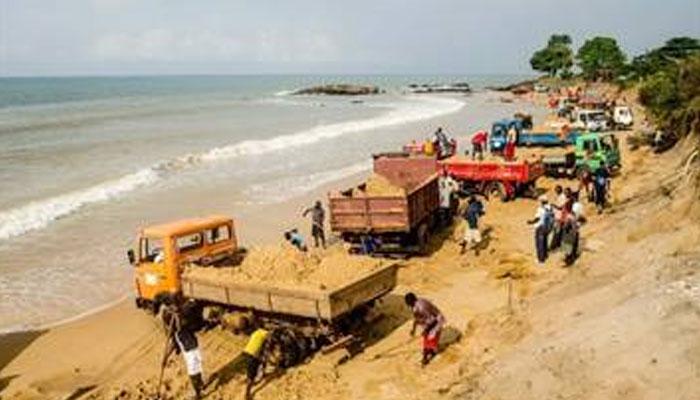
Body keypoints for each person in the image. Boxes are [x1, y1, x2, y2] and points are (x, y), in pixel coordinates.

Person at [161, 296, 205, 400]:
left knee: (193, 372)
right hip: (194, 347)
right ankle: (201, 384)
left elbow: (173, 344)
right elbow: (174, 345)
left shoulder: (180, 329)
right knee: (197, 368)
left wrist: (165, 357)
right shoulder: (181, 325)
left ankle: (198, 394)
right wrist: (166, 357)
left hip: (190, 350)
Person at [404, 292, 445, 366]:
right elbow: (416, 318)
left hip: (436, 321)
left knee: (428, 340)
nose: (408, 306)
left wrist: (426, 330)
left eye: (408, 304)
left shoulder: (422, 307)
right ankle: (430, 351)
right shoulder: (415, 305)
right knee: (428, 340)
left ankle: (425, 358)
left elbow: (433, 320)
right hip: (428, 322)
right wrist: (413, 329)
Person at [527, 195, 554, 265]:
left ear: (542, 201)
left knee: (539, 244)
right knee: (545, 241)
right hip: (547, 227)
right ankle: (545, 255)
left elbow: (537, 218)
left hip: (540, 227)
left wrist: (531, 222)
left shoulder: (540, 209)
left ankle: (541, 260)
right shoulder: (550, 207)